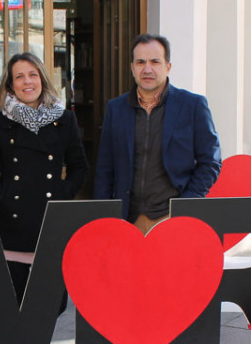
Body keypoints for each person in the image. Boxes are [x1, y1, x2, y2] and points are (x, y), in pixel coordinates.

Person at [0, 53, 88, 304]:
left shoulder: (64, 119)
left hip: (52, 220)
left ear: (42, 80)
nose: (27, 82)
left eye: (33, 75)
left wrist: (62, 193)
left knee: (53, 304)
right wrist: (0, 195)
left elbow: (80, 167)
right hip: (12, 222)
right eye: (19, 77)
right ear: (10, 85)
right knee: (15, 301)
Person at [94, 34, 221, 234]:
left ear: (167, 66)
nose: (147, 69)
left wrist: (187, 204)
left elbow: (211, 161)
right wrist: (104, 215)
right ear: (132, 68)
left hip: (171, 218)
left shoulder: (192, 105)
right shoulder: (116, 109)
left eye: (155, 62)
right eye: (140, 62)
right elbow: (104, 167)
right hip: (127, 220)